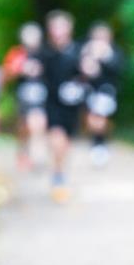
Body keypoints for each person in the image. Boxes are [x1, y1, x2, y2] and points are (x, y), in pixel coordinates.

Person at [40, 10, 85, 203]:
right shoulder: (44, 52)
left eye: (62, 26)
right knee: (56, 137)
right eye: (55, 26)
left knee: (65, 142)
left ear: (69, 28)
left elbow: (86, 74)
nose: (58, 30)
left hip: (72, 105)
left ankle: (60, 171)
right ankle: (58, 176)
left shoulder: (78, 51)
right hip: (52, 103)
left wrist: (87, 71)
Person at [2, 22, 47, 171]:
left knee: (38, 123)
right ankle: (23, 151)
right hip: (23, 95)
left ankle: (37, 153)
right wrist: (20, 69)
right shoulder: (17, 53)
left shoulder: (45, 53)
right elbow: (6, 74)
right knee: (24, 126)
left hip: (41, 95)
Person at [79, 22, 123, 167]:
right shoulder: (86, 51)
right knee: (92, 121)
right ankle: (97, 143)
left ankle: (100, 145)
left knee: (99, 119)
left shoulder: (113, 52)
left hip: (106, 92)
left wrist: (104, 57)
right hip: (90, 91)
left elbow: (117, 69)